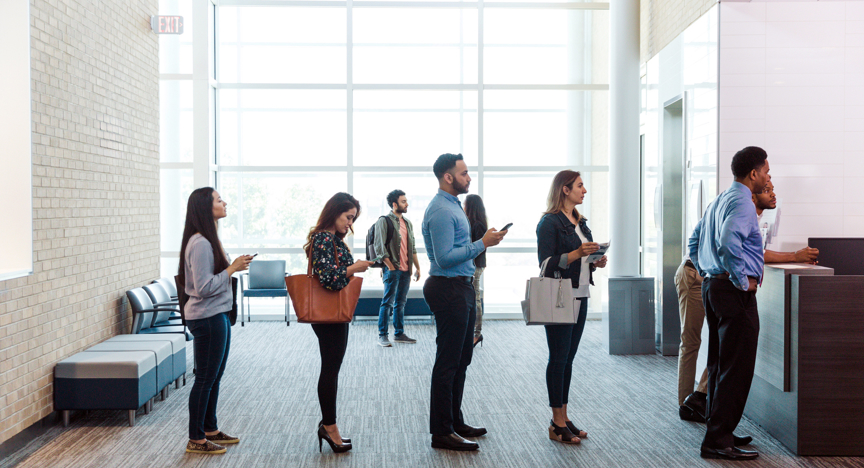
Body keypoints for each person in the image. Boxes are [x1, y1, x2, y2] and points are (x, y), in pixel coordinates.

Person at [677, 177, 819, 424]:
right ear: (753, 192)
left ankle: (703, 403)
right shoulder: (738, 207)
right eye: (767, 189)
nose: (773, 193)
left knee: (721, 352)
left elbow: (750, 253)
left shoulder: (744, 211)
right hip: (696, 275)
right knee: (692, 342)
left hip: (713, 277)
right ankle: (686, 406)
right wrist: (735, 279)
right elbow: (725, 246)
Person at [689, 146, 769, 460]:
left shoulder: (721, 199)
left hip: (714, 288)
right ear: (753, 174)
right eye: (765, 171)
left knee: (721, 364)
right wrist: (737, 278)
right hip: (732, 293)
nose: (767, 177)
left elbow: (694, 241)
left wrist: (707, 270)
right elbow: (726, 242)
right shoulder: (744, 203)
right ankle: (717, 441)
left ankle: (720, 430)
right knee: (736, 368)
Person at [422, 153, 507, 451]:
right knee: (448, 363)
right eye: (464, 172)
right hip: (448, 289)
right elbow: (444, 258)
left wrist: (481, 242)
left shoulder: (453, 206)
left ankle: (454, 421)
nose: (469, 177)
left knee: (461, 360)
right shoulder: (442, 211)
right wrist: (482, 243)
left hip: (461, 287)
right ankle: (441, 431)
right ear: (448, 177)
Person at [179, 187, 252, 454]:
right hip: (207, 318)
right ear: (205, 208)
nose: (225, 202)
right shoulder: (200, 243)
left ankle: (210, 429)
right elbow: (202, 287)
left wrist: (232, 267)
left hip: (217, 314)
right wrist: (232, 269)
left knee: (214, 376)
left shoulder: (210, 239)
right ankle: (196, 439)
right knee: (205, 378)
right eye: (219, 199)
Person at [536, 170, 607, 445]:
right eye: (580, 186)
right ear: (564, 190)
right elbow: (545, 263)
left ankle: (564, 417)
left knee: (569, 358)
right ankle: (556, 422)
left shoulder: (580, 221)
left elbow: (582, 256)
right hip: (560, 295)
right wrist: (578, 253)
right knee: (558, 357)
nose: (584, 190)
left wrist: (595, 259)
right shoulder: (549, 223)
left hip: (581, 293)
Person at [303, 192, 373, 453]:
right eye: (348, 217)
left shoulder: (331, 239)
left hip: (334, 314)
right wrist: (354, 268)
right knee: (330, 370)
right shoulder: (322, 238)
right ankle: (329, 427)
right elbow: (330, 279)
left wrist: (355, 266)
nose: (350, 224)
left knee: (332, 368)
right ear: (334, 212)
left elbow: (334, 273)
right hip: (328, 315)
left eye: (353, 218)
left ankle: (329, 424)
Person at [375, 189, 420, 347]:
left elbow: (412, 247)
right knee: (387, 302)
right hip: (392, 269)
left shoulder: (407, 223)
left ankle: (399, 333)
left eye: (406, 201)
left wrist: (417, 267)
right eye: (403, 201)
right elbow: (379, 247)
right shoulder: (384, 221)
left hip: (406, 270)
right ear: (394, 204)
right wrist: (390, 267)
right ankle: (382, 335)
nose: (407, 204)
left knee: (400, 303)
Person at [464, 194, 487, 347]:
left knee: (475, 297)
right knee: (473, 296)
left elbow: (477, 248)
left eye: (465, 204)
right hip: (474, 264)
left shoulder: (477, 225)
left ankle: (477, 334)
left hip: (475, 264)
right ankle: (473, 332)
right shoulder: (474, 223)